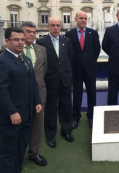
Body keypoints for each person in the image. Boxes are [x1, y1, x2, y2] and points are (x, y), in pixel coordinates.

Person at [0, 27, 42, 173]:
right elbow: (0, 91)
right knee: (8, 153)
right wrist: (12, 112)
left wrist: (37, 101)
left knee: (20, 150)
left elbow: (32, 83)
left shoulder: (25, 59)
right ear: (7, 41)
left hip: (26, 115)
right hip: (9, 118)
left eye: (22, 40)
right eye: (16, 39)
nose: (20, 43)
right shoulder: (0, 61)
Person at [37, 17, 74, 148]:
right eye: (53, 25)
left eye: (58, 25)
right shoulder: (41, 42)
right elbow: (40, 63)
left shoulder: (66, 41)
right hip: (50, 81)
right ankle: (50, 135)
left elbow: (70, 59)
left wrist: (70, 77)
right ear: (48, 26)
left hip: (65, 80)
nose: (56, 28)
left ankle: (66, 130)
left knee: (66, 107)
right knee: (51, 109)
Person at [65, 11, 100, 129]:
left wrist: (89, 61)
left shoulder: (93, 33)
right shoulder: (69, 34)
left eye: (85, 18)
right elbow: (68, 52)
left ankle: (91, 116)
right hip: (75, 69)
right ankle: (76, 117)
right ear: (76, 19)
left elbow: (97, 50)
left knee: (92, 93)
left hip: (90, 69)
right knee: (77, 94)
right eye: (81, 18)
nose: (83, 20)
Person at [21, 21, 48, 166]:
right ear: (22, 33)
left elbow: (44, 71)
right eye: (28, 31)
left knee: (37, 125)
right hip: (19, 97)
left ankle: (34, 153)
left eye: (33, 32)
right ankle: (18, 154)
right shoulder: (13, 49)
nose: (31, 34)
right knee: (19, 126)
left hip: (39, 94)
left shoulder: (41, 49)